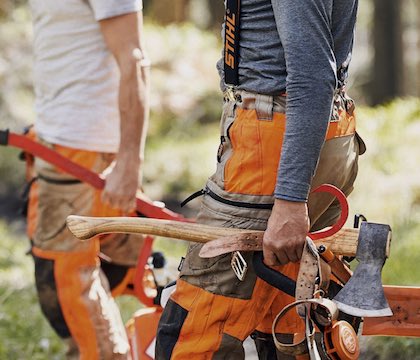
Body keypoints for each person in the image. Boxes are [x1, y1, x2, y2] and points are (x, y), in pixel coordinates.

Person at [156, 0, 365, 359]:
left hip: (275, 146)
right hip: (314, 134)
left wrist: (289, 200)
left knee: (193, 338)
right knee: (285, 331)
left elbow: (311, 73)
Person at [26, 0, 149, 358]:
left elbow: (134, 59)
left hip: (83, 144)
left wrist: (129, 159)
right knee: (104, 272)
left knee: (63, 285)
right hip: (60, 136)